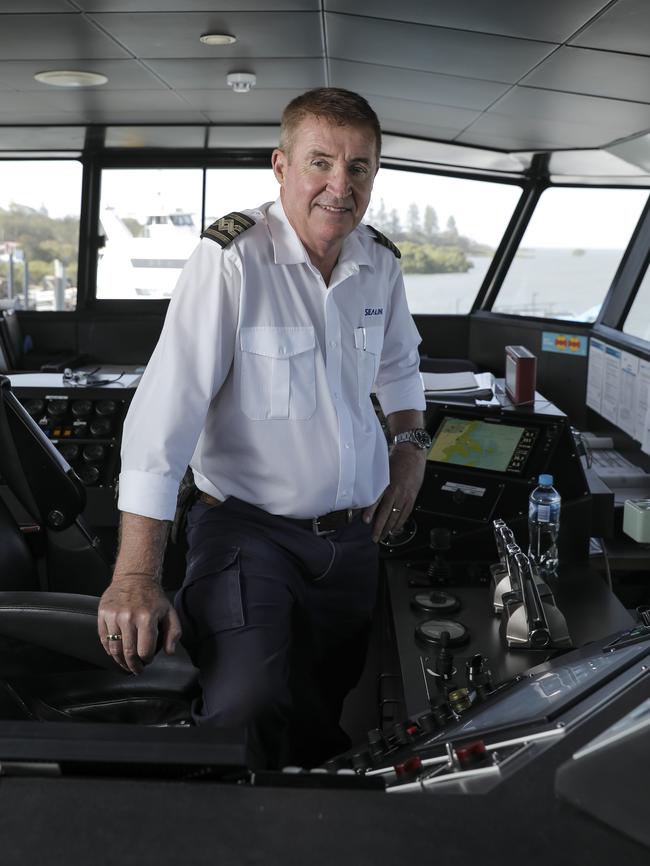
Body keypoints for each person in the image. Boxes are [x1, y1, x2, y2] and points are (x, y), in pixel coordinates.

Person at [97, 87, 428, 768]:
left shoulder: (380, 265)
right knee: (245, 707)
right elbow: (165, 417)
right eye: (321, 163)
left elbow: (400, 369)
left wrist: (410, 445)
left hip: (351, 539)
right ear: (281, 167)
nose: (340, 185)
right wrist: (135, 575)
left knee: (320, 710)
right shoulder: (232, 258)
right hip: (248, 533)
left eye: (359, 167)